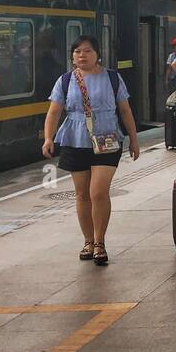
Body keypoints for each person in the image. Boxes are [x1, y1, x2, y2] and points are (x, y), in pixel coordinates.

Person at [42, 35, 141, 266]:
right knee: (82, 194)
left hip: (106, 139)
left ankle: (99, 242)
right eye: (77, 52)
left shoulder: (113, 78)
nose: (81, 55)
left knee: (98, 192)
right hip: (75, 140)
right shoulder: (65, 80)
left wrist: (134, 140)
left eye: (87, 51)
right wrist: (48, 137)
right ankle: (88, 241)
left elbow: (125, 111)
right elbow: (54, 111)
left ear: (98, 54)